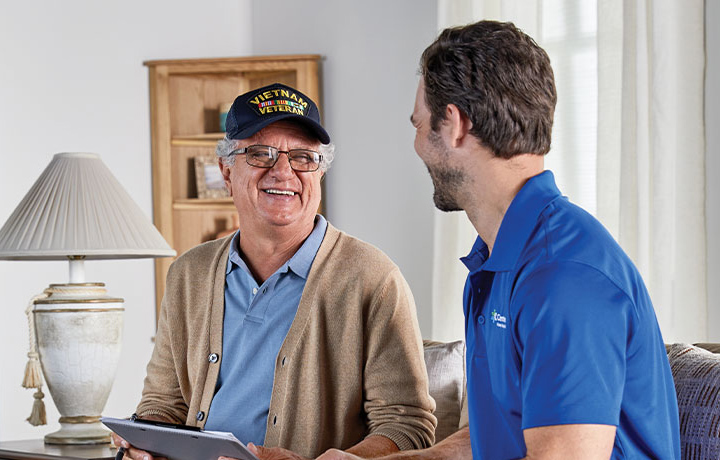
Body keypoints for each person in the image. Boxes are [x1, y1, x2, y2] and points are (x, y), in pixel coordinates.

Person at [321, 20, 681, 460]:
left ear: (453, 124)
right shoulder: (500, 262)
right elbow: (493, 440)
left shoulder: (563, 275)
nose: (416, 144)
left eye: (418, 124)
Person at [112, 83, 436, 460]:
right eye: (260, 154)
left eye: (302, 157)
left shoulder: (374, 280)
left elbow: (407, 426)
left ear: (319, 173)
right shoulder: (189, 273)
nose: (283, 171)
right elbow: (162, 403)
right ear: (226, 172)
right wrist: (145, 442)